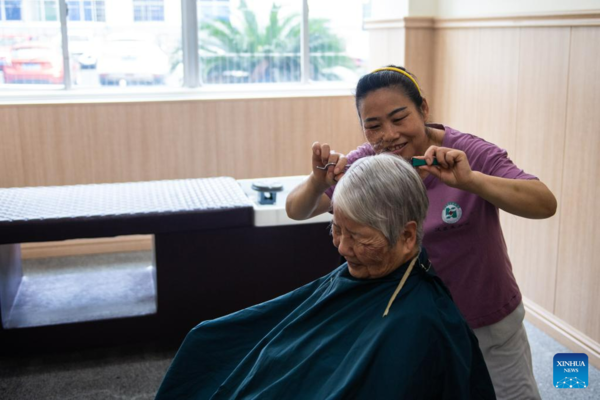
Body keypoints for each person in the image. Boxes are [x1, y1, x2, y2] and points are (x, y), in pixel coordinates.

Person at [286, 65, 557, 400]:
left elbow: (544, 202)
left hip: (485, 317)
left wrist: (470, 181)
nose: (389, 134)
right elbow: (297, 209)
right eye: (373, 126)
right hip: (415, 325)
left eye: (400, 118)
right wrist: (317, 181)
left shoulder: (468, 153)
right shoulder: (369, 164)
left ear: (424, 109)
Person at [156, 154, 496, 400]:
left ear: (407, 237)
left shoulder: (422, 322)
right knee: (206, 340)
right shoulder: (362, 270)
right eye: (336, 230)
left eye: (360, 238)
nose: (343, 248)